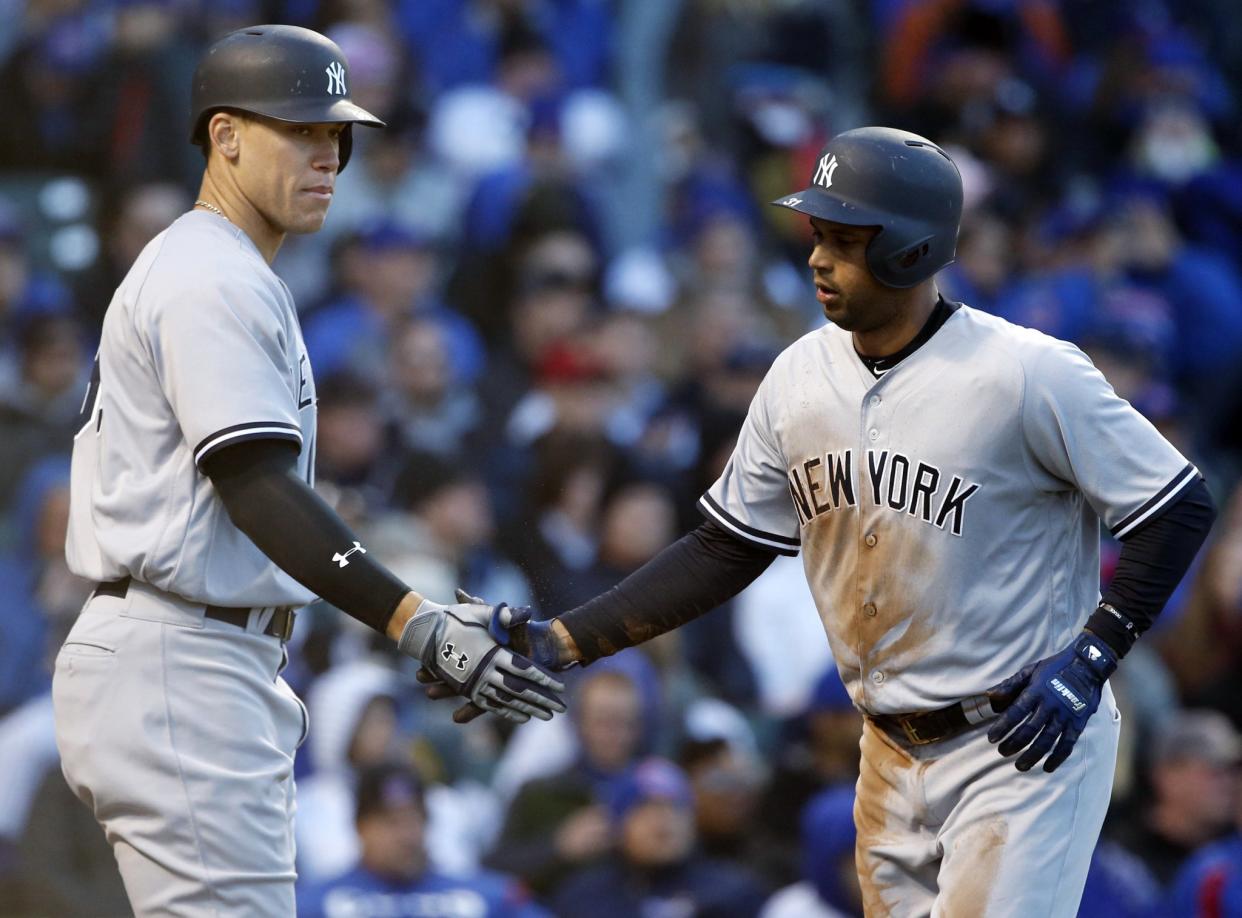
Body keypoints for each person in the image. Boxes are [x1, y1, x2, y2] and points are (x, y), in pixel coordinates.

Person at [430, 127, 1217, 915]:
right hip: (885, 745)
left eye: (844, 239)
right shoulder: (798, 375)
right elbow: (724, 546)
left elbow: (1179, 503)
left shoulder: (1027, 372)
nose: (816, 257)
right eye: (816, 235)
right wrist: (564, 640)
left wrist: (1092, 656)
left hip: (1017, 741)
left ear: (910, 251)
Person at [53, 25, 564, 917]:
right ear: (226, 136)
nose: (329, 155)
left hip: (190, 649)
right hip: (182, 653)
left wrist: (423, 607)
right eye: (302, 131)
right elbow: (257, 489)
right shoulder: (214, 275)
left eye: (339, 135)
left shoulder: (218, 268)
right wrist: (418, 626)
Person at [297, 761, 549, 918]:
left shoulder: (491, 896)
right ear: (359, 827)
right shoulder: (313, 904)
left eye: (415, 819)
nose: (407, 835)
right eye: (390, 822)